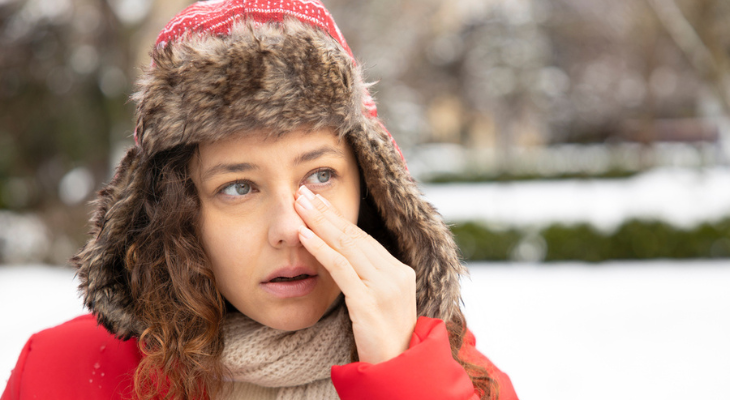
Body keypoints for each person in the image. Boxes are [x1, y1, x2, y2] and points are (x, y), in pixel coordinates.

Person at [2, 1, 518, 399]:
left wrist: (402, 376)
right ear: (179, 215)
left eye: (320, 175)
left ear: (371, 192)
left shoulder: (459, 379)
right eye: (238, 186)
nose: (289, 229)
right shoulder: (59, 371)